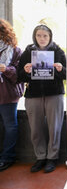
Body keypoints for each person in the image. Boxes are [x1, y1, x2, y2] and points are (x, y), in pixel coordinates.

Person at [17, 25, 66, 173]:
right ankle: (40, 157)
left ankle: (52, 157)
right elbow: (19, 76)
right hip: (33, 95)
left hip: (54, 94)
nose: (42, 38)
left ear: (50, 36)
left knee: (54, 127)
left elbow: (66, 75)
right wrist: (25, 71)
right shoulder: (28, 52)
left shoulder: (58, 51)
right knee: (36, 129)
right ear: (35, 37)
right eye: (39, 35)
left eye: (45, 36)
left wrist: (60, 69)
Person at [0, 19, 24, 171]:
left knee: (10, 126)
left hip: (7, 95)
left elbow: (19, 75)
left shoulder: (15, 51)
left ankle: (7, 157)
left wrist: (5, 69)